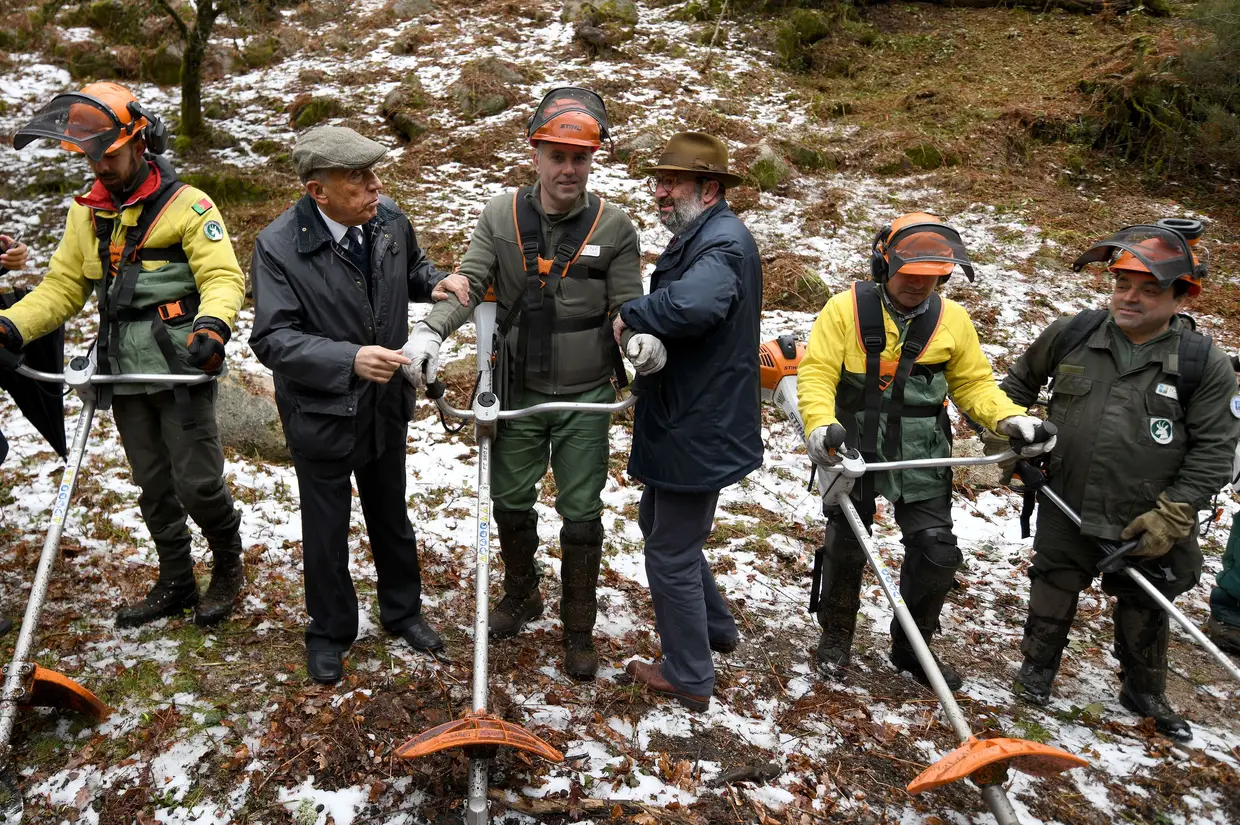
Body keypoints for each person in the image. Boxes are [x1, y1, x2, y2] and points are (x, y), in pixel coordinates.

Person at [404, 88, 642, 681]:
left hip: (587, 393)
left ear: (592, 162)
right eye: (556, 156)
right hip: (517, 391)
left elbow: (630, 304)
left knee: (582, 509)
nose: (568, 169)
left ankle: (579, 627)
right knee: (510, 499)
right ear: (535, 155)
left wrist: (641, 339)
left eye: (579, 158)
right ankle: (521, 593)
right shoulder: (499, 216)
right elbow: (467, 283)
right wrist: (431, 333)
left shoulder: (615, 226)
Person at [2, 82, 248, 628]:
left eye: (108, 155)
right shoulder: (86, 213)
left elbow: (223, 277)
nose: (99, 167)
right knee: (152, 484)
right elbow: (62, 288)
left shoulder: (189, 205)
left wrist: (212, 326)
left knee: (198, 482)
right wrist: (10, 326)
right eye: (91, 157)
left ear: (141, 142)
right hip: (123, 367)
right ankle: (176, 579)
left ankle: (228, 566)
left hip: (183, 363)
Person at [1001, 220, 1239, 741]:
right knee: (1054, 583)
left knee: (1148, 600)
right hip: (1065, 495)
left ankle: (1143, 688)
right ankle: (1036, 673)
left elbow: (1217, 448)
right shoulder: (1075, 333)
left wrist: (1173, 514)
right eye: (1121, 284)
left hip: (1148, 511)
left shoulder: (1202, 363)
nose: (1129, 298)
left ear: (1181, 296)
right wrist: (1013, 443)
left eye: (1148, 290)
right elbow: (1012, 389)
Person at [797, 212, 1056, 691]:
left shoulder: (951, 320)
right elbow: (816, 375)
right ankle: (835, 636)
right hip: (853, 444)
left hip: (922, 450)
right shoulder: (844, 310)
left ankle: (911, 645)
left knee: (937, 552)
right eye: (910, 275)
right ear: (884, 264)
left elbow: (974, 384)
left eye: (932, 277)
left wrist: (1007, 417)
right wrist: (820, 425)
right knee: (849, 541)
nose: (920, 285)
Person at [249, 125, 468, 685]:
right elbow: (273, 337)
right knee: (326, 528)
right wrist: (348, 359)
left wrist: (436, 282)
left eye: (375, 174)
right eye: (359, 178)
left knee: (392, 515)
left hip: (385, 402)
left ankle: (403, 612)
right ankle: (329, 631)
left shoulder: (388, 219)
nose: (375, 186)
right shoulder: (278, 246)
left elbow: (412, 267)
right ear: (318, 191)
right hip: (321, 410)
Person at [612, 132, 761, 711]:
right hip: (693, 416)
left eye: (672, 181)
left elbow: (695, 306)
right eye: (659, 180)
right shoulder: (705, 236)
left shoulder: (720, 246)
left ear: (711, 188)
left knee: (670, 550)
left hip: (698, 423)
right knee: (665, 524)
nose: (660, 191)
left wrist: (630, 314)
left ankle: (690, 673)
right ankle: (716, 630)